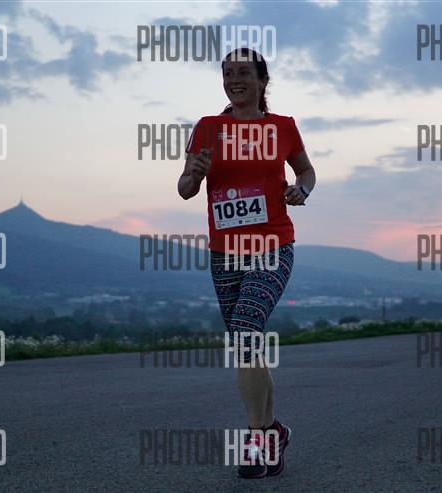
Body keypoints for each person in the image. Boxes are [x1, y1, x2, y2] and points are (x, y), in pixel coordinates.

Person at [177, 48, 316, 478]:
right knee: (246, 343)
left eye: (242, 73)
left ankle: (256, 441)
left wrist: (301, 190)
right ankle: (273, 433)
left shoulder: (283, 127)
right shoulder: (208, 128)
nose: (233, 80)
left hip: (273, 244)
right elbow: (184, 188)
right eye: (227, 73)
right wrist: (195, 173)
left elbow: (307, 172)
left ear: (262, 80)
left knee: (245, 327)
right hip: (225, 252)